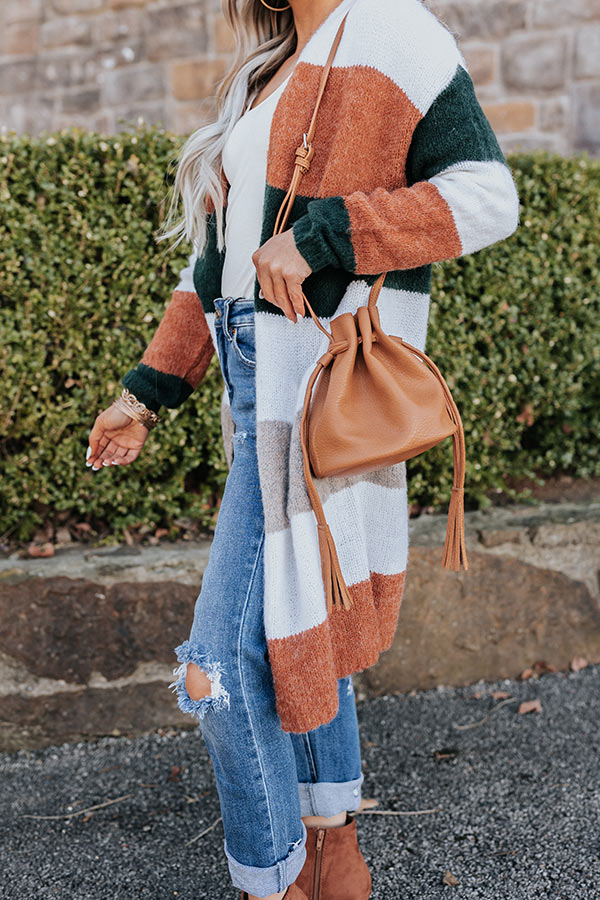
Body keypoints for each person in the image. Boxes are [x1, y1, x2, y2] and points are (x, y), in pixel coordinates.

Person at [86, 1, 520, 897]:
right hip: (256, 383)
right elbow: (214, 266)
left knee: (214, 671)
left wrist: (327, 234)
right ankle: (331, 844)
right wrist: (145, 393)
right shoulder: (262, 74)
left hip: (321, 384)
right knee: (297, 617)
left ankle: (274, 879)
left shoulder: (396, 32)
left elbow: (488, 198)